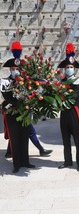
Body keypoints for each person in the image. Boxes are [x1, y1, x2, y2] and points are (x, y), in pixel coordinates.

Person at [1, 41, 35, 173]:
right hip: (12, 113)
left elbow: (31, 94)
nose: (15, 71)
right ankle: (16, 164)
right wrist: (17, 102)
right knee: (15, 139)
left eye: (17, 69)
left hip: (24, 113)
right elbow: (7, 97)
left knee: (24, 137)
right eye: (13, 69)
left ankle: (25, 161)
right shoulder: (5, 82)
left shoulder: (26, 82)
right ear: (10, 69)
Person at [57, 42, 79, 172]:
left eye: (71, 67)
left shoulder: (78, 81)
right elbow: (58, 95)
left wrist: (63, 95)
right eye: (67, 67)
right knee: (65, 138)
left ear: (74, 68)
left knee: (78, 139)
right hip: (64, 113)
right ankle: (68, 161)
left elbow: (73, 97)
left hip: (74, 112)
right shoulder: (61, 82)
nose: (69, 69)